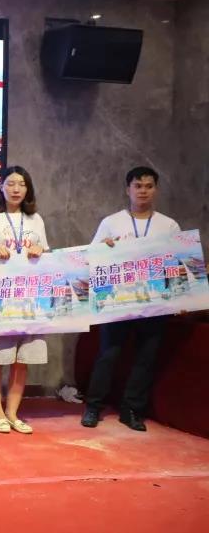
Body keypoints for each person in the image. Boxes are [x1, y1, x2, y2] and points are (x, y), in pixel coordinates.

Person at [81, 166, 181, 432]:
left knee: (146, 358)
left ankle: (132, 410)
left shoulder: (169, 225)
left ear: (156, 190)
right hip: (118, 301)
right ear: (128, 189)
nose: (143, 191)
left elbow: (176, 264)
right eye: (138, 186)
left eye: (149, 186)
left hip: (155, 303)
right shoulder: (111, 222)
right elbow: (91, 256)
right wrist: (104, 248)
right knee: (108, 355)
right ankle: (93, 406)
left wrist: (181, 300)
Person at [0, 166, 49, 435]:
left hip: (29, 299)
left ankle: (13, 413)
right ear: (1, 187)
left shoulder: (35, 220)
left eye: (21, 184)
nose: (16, 189)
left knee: (22, 359)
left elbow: (47, 255)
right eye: (11, 183)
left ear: (28, 189)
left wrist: (42, 250)